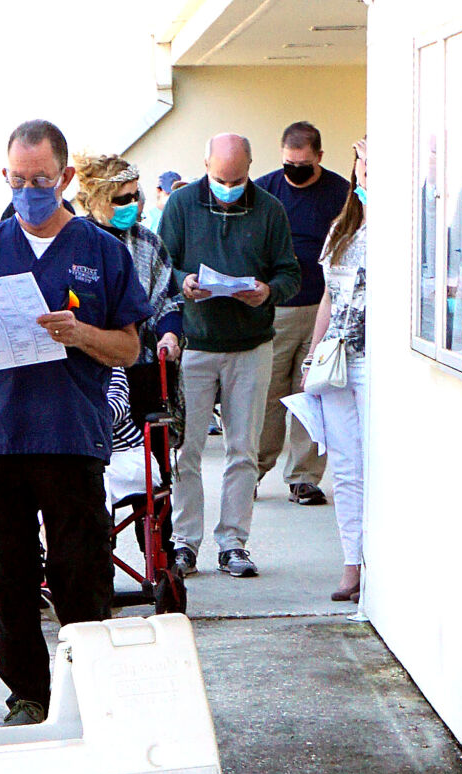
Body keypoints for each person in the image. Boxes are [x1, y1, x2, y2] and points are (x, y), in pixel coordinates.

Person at [0, 119, 149, 726]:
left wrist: (80, 333)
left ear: (66, 179)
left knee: (82, 574)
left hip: (70, 438)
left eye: (41, 180)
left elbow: (129, 348)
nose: (29, 190)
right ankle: (28, 694)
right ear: (6, 177)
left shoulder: (102, 252)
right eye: (18, 179)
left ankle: (88, 689)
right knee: (5, 578)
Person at [158, 132, 300, 578]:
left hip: (251, 345)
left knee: (244, 449)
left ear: (250, 169)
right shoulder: (180, 207)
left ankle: (233, 542)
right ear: (205, 166)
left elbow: (290, 273)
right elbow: (161, 265)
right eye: (221, 178)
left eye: (237, 179)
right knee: (186, 451)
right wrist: (183, 282)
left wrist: (268, 292)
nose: (228, 186)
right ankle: (184, 542)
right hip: (196, 347)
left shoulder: (270, 209)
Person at [73, 153, 182, 563]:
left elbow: (168, 298)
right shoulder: (76, 242)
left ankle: (160, 554)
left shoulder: (148, 242)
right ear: (96, 198)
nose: (132, 206)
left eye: (135, 196)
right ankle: (95, 555)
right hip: (92, 369)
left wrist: (170, 333)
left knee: (154, 468)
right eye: (121, 198)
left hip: (142, 370)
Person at [255, 122, 351, 504]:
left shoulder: (339, 193)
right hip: (275, 310)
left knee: (311, 395)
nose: (295, 171)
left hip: (319, 306)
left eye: (304, 165)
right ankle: (255, 469)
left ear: (320, 158)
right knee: (267, 397)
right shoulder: (265, 189)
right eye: (289, 164)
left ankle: (303, 477)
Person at [305, 140, 368, 604]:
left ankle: (376, 558)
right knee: (345, 467)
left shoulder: (406, 223)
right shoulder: (342, 227)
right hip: (337, 360)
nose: (365, 170)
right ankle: (352, 563)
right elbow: (328, 295)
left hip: (373, 361)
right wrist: (313, 354)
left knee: (377, 464)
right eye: (363, 161)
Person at [149, 169, 184, 234]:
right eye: (169, 193)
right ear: (159, 191)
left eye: (176, 193)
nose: (173, 197)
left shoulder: (182, 215)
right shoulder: (148, 219)